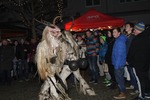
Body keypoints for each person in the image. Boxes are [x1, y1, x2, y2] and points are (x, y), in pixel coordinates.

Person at [127, 22, 150, 99]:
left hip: (138, 63)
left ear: (138, 30)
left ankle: (141, 96)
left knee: (140, 80)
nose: (134, 31)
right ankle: (147, 92)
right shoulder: (147, 37)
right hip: (146, 63)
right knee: (146, 78)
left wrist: (128, 60)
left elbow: (131, 52)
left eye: (135, 29)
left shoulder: (136, 39)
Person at [112, 27, 127, 99]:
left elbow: (119, 54)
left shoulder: (120, 41)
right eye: (113, 32)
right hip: (119, 63)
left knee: (119, 79)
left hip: (119, 64)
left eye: (115, 32)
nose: (113, 33)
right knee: (120, 78)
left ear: (119, 33)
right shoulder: (118, 40)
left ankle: (122, 93)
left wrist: (116, 65)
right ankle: (122, 91)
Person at [124, 22, 139, 95]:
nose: (125, 27)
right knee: (130, 72)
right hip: (126, 57)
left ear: (131, 28)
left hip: (130, 58)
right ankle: (133, 85)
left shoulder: (132, 37)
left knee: (133, 73)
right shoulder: (127, 36)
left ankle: (137, 88)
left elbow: (130, 48)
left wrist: (128, 58)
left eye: (127, 26)